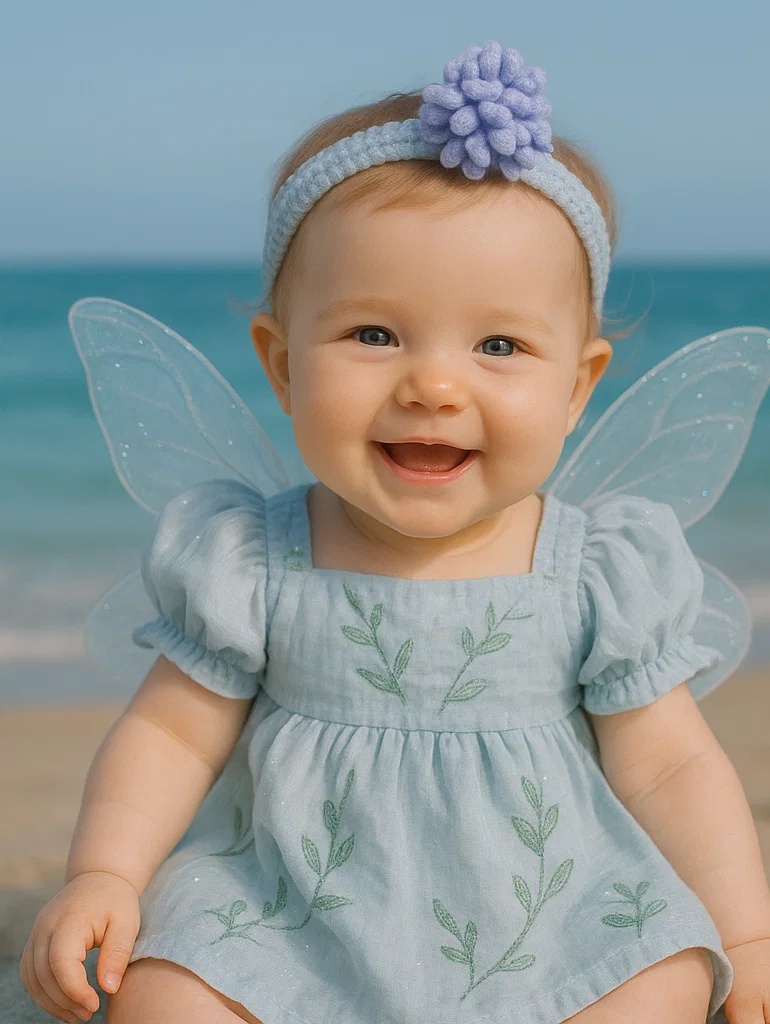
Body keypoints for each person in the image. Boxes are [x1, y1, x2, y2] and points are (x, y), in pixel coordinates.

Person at [20, 40, 770, 1024]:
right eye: (373, 334)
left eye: (498, 344)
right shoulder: (253, 560)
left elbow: (670, 766)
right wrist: (106, 875)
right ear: (282, 365)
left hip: (547, 916)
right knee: (165, 994)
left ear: (577, 386)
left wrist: (747, 937)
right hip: (289, 909)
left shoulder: (593, 571)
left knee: (660, 973)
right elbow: (169, 733)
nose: (434, 384)